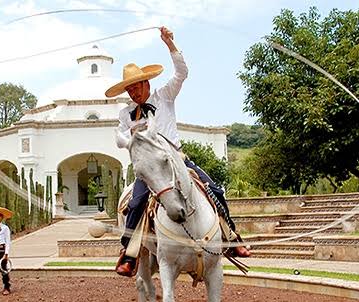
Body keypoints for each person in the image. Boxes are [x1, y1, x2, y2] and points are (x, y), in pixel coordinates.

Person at [105, 26, 251, 277]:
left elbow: (182, 72)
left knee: (214, 189)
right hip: (149, 170)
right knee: (137, 201)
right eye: (129, 90)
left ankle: (231, 238)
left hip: (178, 161)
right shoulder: (124, 114)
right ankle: (128, 253)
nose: (133, 92)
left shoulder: (165, 96)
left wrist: (170, 44)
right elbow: (118, 137)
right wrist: (128, 138)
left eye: (136, 87)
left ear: (146, 83)